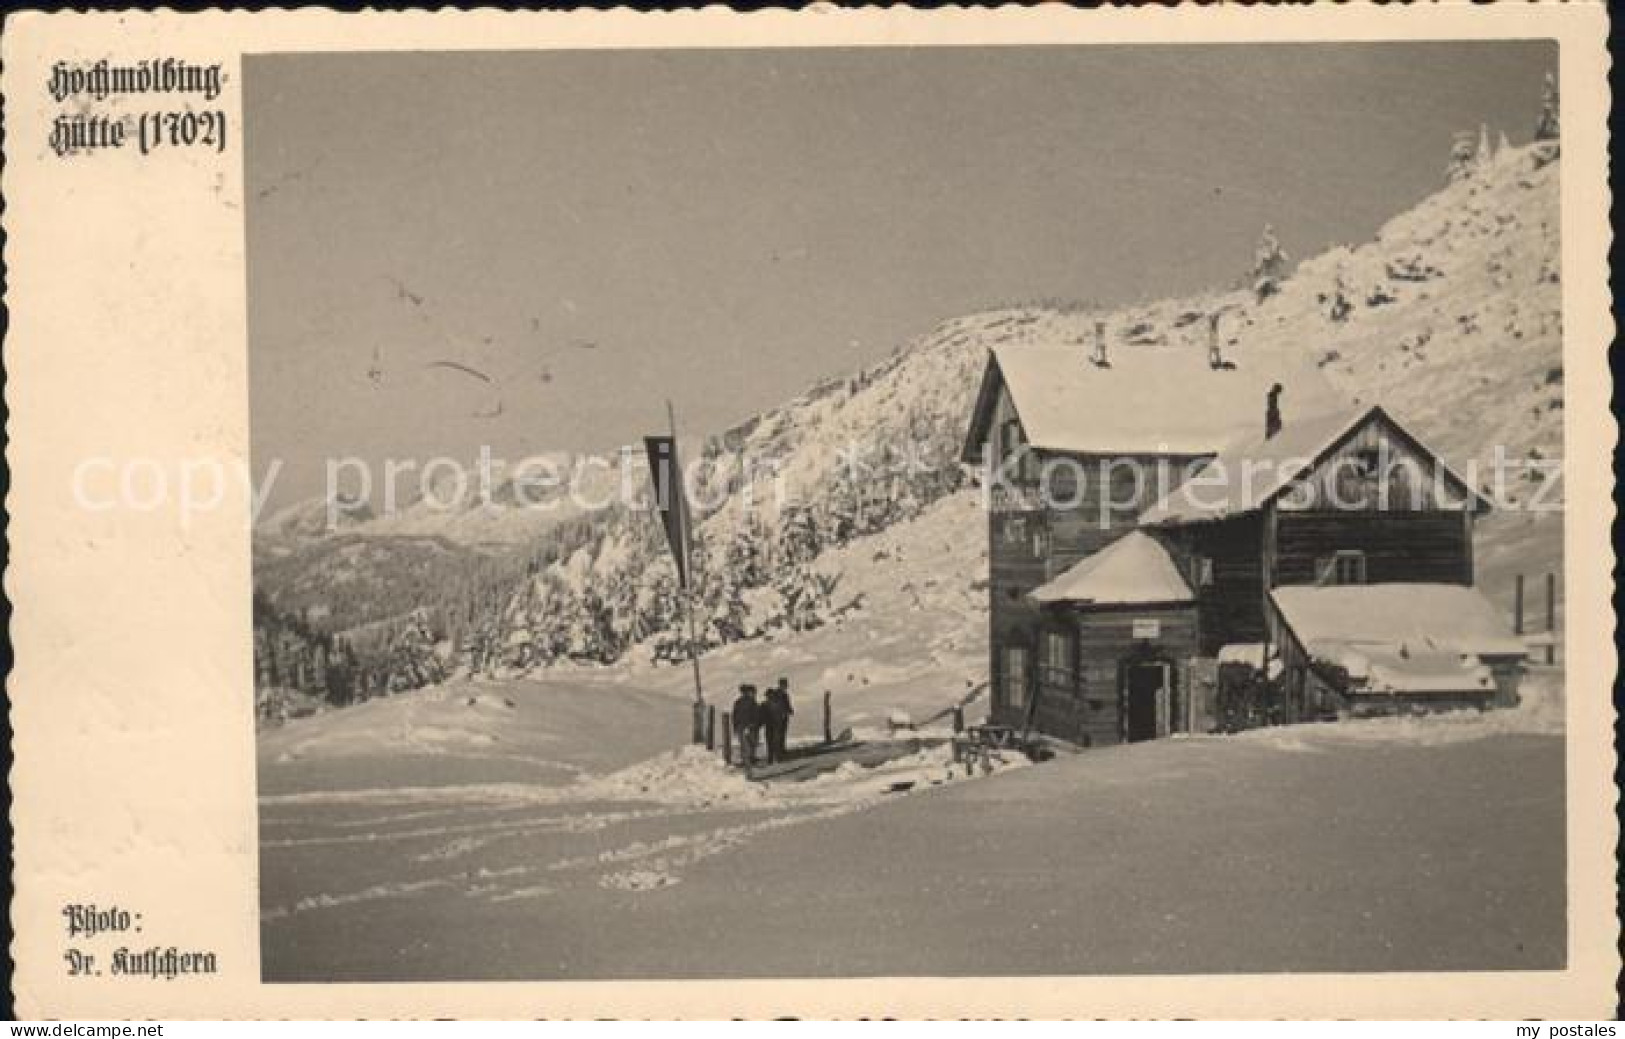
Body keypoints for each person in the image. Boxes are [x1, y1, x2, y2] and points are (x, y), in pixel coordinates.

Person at [763, 677, 795, 764]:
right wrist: (787, 711)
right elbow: (781, 706)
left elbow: (787, 705)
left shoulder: (784, 694)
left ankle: (778, 754)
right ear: (781, 685)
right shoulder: (776, 694)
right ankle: (777, 755)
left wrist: (789, 711)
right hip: (777, 719)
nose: (785, 686)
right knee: (777, 737)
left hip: (780, 718)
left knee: (780, 736)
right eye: (784, 685)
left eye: (785, 685)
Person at [731, 684, 761, 768]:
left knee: (747, 744)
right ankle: (748, 761)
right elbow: (755, 715)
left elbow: (734, 715)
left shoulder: (739, 702)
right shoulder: (751, 702)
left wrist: (735, 727)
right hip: (748, 726)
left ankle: (748, 760)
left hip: (744, 726)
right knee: (749, 744)